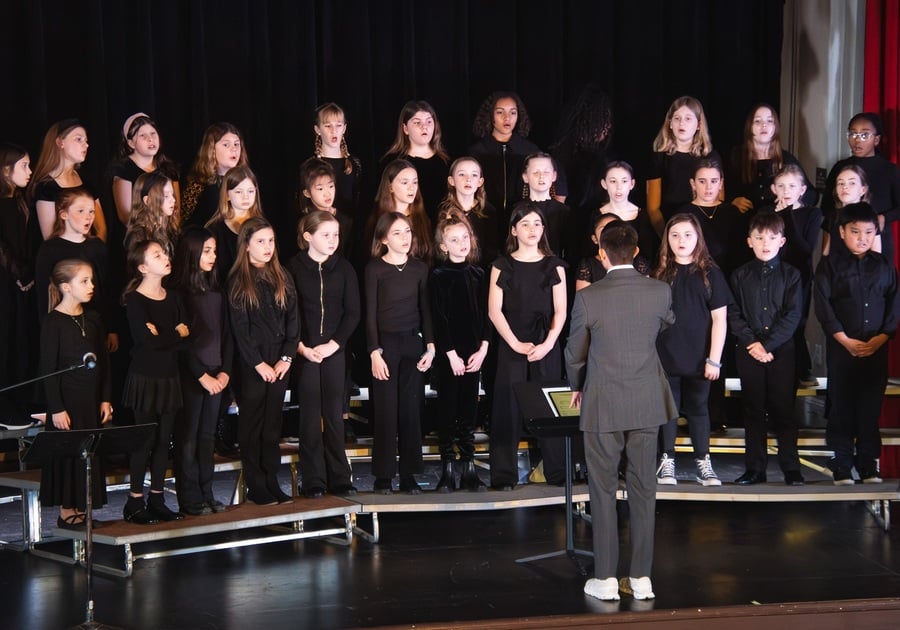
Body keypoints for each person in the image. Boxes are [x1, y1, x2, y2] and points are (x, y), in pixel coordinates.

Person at [566, 222, 676, 602]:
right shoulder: (660, 291)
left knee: (602, 490)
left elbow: (574, 352)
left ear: (601, 251)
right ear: (636, 249)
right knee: (645, 490)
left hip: (602, 402)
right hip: (647, 400)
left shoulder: (589, 297)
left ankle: (606, 579)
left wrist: (576, 386)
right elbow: (665, 325)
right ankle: (642, 578)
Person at [814, 203, 899, 484]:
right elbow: (824, 308)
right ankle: (841, 464)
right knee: (841, 406)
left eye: (868, 232)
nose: (862, 237)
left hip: (876, 348)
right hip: (842, 348)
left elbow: (894, 306)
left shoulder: (885, 266)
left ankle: (867, 465)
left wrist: (880, 338)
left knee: (869, 407)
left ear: (876, 232)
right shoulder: (829, 266)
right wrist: (844, 339)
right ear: (841, 232)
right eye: (855, 231)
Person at [488, 204, 567, 490]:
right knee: (506, 408)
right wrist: (515, 344)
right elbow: (495, 311)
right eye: (525, 224)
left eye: (537, 224)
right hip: (512, 343)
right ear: (514, 230)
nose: (531, 229)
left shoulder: (554, 265)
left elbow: (561, 311)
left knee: (549, 407)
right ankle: (504, 474)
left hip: (546, 343)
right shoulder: (502, 265)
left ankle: (558, 472)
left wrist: (548, 343)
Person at [727, 213, 805, 485]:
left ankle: (791, 468)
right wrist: (753, 343)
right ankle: (755, 469)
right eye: (759, 237)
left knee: (784, 408)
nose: (765, 243)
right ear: (749, 241)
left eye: (771, 238)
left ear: (782, 241)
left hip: (781, 350)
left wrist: (768, 345)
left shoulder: (792, 275)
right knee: (753, 409)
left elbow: (794, 315)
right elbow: (734, 314)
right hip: (749, 350)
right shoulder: (739, 275)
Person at [653, 213, 729, 486]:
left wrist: (715, 360)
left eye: (687, 235)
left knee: (698, 408)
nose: (681, 241)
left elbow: (720, 319)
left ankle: (703, 463)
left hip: (699, 355)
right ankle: (667, 461)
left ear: (698, 238)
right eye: (674, 235)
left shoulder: (711, 273)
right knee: (668, 410)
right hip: (665, 354)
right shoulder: (660, 272)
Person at [287, 211, 359, 498]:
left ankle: (340, 477)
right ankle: (313, 479)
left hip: (333, 351)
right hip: (304, 351)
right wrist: (301, 346)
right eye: (325, 234)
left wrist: (334, 344)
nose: (332, 240)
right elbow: (289, 312)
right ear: (308, 236)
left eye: (336, 235)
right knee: (308, 417)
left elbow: (352, 313)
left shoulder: (344, 269)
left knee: (334, 416)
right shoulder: (293, 267)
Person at [228, 217, 299, 504]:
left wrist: (286, 358)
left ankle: (271, 479)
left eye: (270, 241)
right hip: (253, 363)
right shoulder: (238, 281)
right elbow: (240, 329)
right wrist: (259, 364)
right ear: (246, 246)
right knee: (252, 423)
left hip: (279, 360)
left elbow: (294, 321)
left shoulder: (282, 275)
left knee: (272, 424)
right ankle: (255, 483)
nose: (267, 247)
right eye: (260, 241)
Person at [40, 260, 113, 530]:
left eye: (91, 280)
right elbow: (48, 369)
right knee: (71, 453)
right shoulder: (53, 322)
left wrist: (105, 398)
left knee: (89, 452)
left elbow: (104, 362)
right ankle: (67, 510)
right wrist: (56, 408)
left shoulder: (92, 319)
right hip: (67, 403)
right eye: (84, 281)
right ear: (65, 287)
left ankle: (84, 506)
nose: (91, 286)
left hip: (90, 401)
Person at [365, 212, 435, 494]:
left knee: (410, 412)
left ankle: (409, 474)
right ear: (384, 239)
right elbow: (370, 313)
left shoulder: (419, 269)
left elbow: (425, 310)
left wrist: (430, 346)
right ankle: (383, 476)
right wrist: (373, 351)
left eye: (407, 232)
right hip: (385, 346)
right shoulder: (374, 269)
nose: (404, 238)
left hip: (412, 344)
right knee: (385, 412)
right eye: (397, 233)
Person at [121, 239, 188, 523]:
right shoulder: (135, 300)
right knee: (144, 440)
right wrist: (172, 334)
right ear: (143, 267)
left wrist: (165, 336)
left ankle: (158, 498)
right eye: (157, 255)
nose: (166, 257)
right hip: (145, 377)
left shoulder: (173, 297)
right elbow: (147, 342)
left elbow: (187, 336)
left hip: (169, 376)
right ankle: (134, 501)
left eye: (165, 253)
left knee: (164, 440)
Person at [171, 227, 232, 515]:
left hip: (217, 372)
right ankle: (190, 498)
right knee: (188, 437)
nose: (213, 256)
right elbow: (181, 343)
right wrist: (202, 375)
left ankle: (207, 493)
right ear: (192, 253)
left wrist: (225, 373)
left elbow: (228, 334)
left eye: (215, 251)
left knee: (208, 436)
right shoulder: (180, 293)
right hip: (194, 375)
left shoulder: (219, 290)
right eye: (207, 251)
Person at [429, 214, 490, 492]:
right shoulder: (438, 276)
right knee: (447, 408)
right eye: (454, 239)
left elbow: (487, 315)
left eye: (465, 237)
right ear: (444, 246)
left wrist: (484, 348)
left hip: (474, 352)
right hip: (449, 354)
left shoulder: (478, 274)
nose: (462, 243)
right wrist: (450, 354)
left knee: (469, 408)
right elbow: (439, 318)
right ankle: (447, 467)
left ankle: (469, 466)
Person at [34, 189, 114, 345]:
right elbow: (43, 294)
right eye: (81, 211)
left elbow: (108, 289)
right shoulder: (50, 249)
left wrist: (112, 328)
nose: (88, 217)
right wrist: (47, 332)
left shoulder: (97, 247)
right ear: (64, 214)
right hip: (64, 326)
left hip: (95, 323)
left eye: (91, 211)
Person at [768, 165, 823, 386]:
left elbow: (804, 249)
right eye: (781, 186)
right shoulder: (766, 213)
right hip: (773, 276)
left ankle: (802, 368)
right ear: (773, 189)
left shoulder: (812, 213)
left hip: (800, 277)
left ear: (802, 189)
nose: (786, 190)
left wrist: (786, 216)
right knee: (772, 320)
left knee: (796, 322)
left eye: (792, 186)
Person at [823, 113, 900, 265]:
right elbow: (826, 206)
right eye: (852, 134)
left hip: (876, 238)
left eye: (864, 135)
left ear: (876, 139)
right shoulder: (840, 167)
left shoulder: (889, 170)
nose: (857, 139)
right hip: (843, 239)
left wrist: (884, 218)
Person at [646, 96, 721, 235]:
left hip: (703, 229)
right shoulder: (659, 157)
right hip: (668, 227)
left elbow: (718, 200)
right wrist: (668, 236)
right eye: (677, 118)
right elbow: (653, 209)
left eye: (688, 118)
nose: (682, 123)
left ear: (698, 125)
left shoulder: (710, 157)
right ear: (670, 123)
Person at [0, 143, 36, 418]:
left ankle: (19, 405)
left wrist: (27, 276)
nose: (30, 171)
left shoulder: (22, 202)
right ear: (5, 170)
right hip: (6, 282)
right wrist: (18, 274)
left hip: (22, 282)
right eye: (24, 166)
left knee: (21, 342)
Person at [469, 91, 542, 227]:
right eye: (500, 112)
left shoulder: (529, 150)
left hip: (522, 220)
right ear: (491, 116)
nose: (507, 118)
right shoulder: (477, 151)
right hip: (485, 218)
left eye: (512, 112)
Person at [28, 119, 108, 242]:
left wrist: (95, 252)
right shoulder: (45, 187)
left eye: (86, 140)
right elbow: (50, 238)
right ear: (60, 142)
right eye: (79, 139)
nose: (86, 145)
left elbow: (101, 228)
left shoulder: (87, 183)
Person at [726, 104, 816, 212]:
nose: (764, 125)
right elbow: (723, 188)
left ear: (775, 127)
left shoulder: (786, 159)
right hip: (744, 222)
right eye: (757, 121)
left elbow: (811, 194)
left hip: (776, 223)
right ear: (749, 126)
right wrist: (732, 201)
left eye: (769, 121)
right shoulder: (737, 156)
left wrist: (793, 202)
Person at [381, 100, 451, 223]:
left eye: (429, 121)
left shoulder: (445, 162)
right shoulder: (392, 162)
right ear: (405, 128)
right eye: (417, 122)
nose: (424, 127)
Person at [681, 159, 750, 278]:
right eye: (702, 181)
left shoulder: (732, 212)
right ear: (693, 184)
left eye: (714, 181)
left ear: (721, 183)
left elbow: (742, 252)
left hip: (729, 276)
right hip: (694, 276)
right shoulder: (683, 213)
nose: (708, 187)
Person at [205, 165, 264, 287]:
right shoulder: (214, 229)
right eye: (238, 191)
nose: (246, 196)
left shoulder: (262, 226)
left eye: (250, 191)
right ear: (227, 195)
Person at [182, 122, 248, 228]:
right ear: (212, 149)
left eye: (236, 144)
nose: (234, 149)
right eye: (226, 145)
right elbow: (184, 222)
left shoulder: (245, 182)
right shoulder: (198, 184)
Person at [436, 156, 499, 268]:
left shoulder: (489, 212)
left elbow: (492, 251)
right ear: (451, 181)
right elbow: (439, 248)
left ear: (480, 182)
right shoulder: (442, 210)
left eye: (474, 175)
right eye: (462, 174)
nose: (468, 179)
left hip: (481, 273)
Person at [366, 159, 432, 262]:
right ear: (390, 187)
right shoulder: (378, 219)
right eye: (405, 182)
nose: (412, 188)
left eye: (415, 182)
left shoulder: (422, 218)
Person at [596, 161, 659, 268]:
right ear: (604, 184)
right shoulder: (596, 215)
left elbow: (648, 253)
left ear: (632, 184)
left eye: (624, 181)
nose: (619, 187)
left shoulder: (641, 216)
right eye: (613, 181)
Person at [311, 103, 362, 222]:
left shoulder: (354, 164)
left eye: (338, 125)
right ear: (318, 129)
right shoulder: (311, 166)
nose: (334, 131)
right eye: (328, 126)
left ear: (344, 128)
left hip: (349, 230)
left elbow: (358, 205)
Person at [520, 152, 574, 264]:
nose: (541, 177)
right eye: (536, 172)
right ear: (525, 177)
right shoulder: (517, 210)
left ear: (554, 176)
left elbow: (569, 250)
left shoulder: (563, 212)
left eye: (546, 172)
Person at [297, 158, 352, 257]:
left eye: (331, 186)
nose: (327, 194)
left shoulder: (344, 219)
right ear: (307, 193)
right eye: (320, 189)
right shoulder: (306, 222)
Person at [822, 164, 880, 257]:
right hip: (836, 269)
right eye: (841, 183)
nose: (845, 187)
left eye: (852, 183)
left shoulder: (869, 216)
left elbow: (876, 255)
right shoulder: (832, 216)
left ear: (863, 190)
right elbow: (825, 253)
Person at [123, 171, 179, 259]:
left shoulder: (169, 227)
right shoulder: (138, 236)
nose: (173, 200)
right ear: (147, 200)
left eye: (172, 195)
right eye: (166, 196)